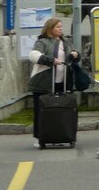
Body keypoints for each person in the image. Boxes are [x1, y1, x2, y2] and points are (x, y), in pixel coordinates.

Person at [28, 17, 80, 147]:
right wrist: (51, 60)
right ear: (50, 29)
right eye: (58, 27)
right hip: (44, 81)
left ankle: (58, 134)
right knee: (41, 110)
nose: (61, 29)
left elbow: (76, 55)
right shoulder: (43, 41)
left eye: (61, 27)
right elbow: (34, 55)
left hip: (62, 81)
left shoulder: (66, 42)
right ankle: (40, 136)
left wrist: (75, 54)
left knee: (59, 109)